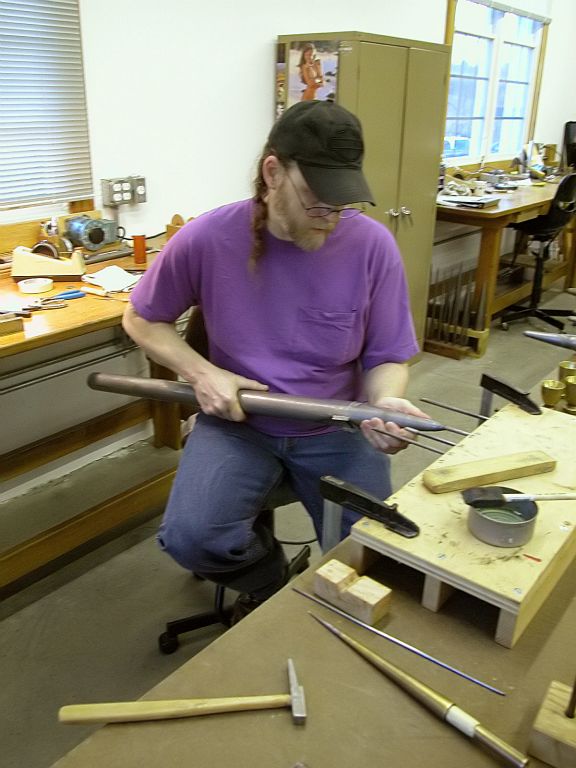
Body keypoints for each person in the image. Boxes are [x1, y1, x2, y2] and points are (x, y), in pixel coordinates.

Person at [123, 100, 427, 622]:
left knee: (375, 560)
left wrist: (385, 401)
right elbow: (140, 318)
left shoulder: (372, 245)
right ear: (273, 172)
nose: (331, 217)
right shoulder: (207, 237)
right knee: (192, 540)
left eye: (342, 204)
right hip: (241, 424)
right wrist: (203, 372)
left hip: (336, 424)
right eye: (318, 201)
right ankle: (272, 584)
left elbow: (387, 353)